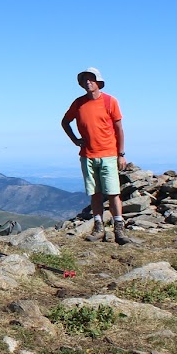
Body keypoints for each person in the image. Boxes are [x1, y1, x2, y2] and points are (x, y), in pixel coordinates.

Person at [61, 66, 132, 245]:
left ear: (98, 82)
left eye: (91, 79)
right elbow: (65, 122)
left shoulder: (110, 101)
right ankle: (99, 228)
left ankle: (118, 229)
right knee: (95, 193)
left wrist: (121, 154)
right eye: (84, 79)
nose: (88, 82)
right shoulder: (78, 103)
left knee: (113, 192)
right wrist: (75, 140)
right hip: (87, 155)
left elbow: (119, 129)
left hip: (108, 154)